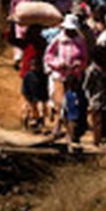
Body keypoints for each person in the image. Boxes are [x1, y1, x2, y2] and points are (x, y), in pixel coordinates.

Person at [44, 13, 89, 142]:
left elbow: (85, 59)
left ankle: (71, 132)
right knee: (60, 103)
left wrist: (78, 65)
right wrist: (58, 64)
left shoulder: (80, 41)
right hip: (60, 75)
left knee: (72, 103)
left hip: (74, 77)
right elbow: (48, 57)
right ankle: (58, 127)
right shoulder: (58, 40)